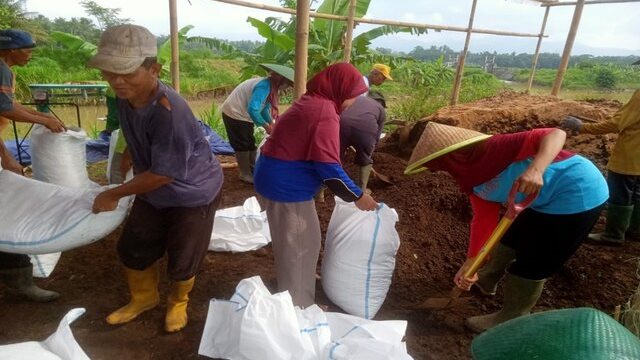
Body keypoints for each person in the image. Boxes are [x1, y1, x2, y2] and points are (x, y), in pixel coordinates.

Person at [404, 123, 608, 332]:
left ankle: (512, 316)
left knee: (534, 261)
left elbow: (557, 134)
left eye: (439, 163)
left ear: (454, 154)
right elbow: (483, 220)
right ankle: (486, 279)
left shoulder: (501, 146)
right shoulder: (470, 179)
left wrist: (536, 169)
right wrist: (471, 262)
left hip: (578, 194)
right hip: (540, 201)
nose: (441, 169)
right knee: (509, 240)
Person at [88, 24, 223, 333]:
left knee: (184, 254)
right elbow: (135, 131)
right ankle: (144, 298)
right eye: (109, 72)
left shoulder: (169, 112)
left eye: (127, 72)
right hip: (155, 185)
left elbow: (164, 173)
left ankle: (178, 303)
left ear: (154, 69)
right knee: (134, 246)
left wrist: (114, 193)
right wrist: (130, 151)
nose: (117, 81)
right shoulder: (126, 95)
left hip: (192, 191)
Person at [254, 63, 378, 307]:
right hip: (287, 189)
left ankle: (296, 287)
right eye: (354, 96)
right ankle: (300, 310)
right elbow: (328, 167)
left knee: (295, 246)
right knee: (301, 247)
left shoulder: (313, 100)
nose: (353, 103)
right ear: (341, 90)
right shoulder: (324, 112)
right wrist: (357, 196)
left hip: (275, 177)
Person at [0, 29, 64, 303]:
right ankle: (20, 282)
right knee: (6, 214)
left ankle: (18, 279)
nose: (29, 54)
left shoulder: (5, 69)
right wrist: (7, 157)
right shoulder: (0, 68)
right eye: (27, 49)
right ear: (11, 49)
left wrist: (40, 115)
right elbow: (4, 109)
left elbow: (9, 103)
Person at [562, 90, 640, 245]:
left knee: (620, 196)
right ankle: (635, 231)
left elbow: (616, 124)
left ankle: (613, 235)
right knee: (637, 193)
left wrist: (581, 127)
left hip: (630, 156)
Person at [221, 63, 294, 183]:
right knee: (242, 143)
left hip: (243, 114)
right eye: (287, 84)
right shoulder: (264, 86)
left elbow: (265, 108)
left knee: (250, 142)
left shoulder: (271, 88)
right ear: (281, 80)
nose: (286, 87)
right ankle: (244, 173)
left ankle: (252, 168)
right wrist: (266, 126)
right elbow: (253, 109)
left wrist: (271, 123)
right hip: (234, 113)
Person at [339, 90, 386, 190]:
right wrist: (366, 152)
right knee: (364, 159)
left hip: (340, 124)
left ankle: (320, 194)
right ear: (381, 102)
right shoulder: (380, 109)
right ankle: (362, 191)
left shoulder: (356, 98)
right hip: (366, 129)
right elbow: (376, 138)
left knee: (333, 158)